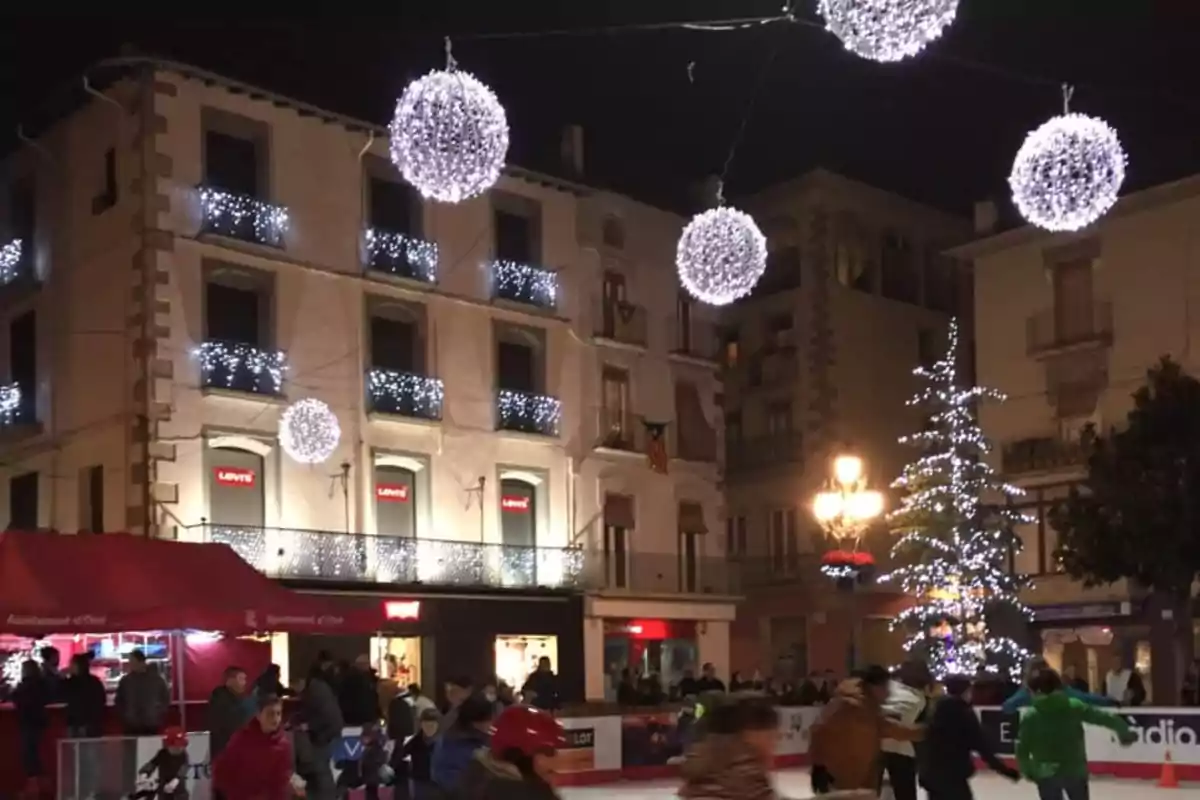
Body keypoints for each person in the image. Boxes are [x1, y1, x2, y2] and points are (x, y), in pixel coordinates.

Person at [1016, 667, 1135, 800]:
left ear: (1035, 692)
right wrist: (1124, 732)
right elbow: (1105, 718)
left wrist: (1028, 771)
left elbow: (1022, 747)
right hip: (1075, 770)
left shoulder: (1031, 716)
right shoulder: (1074, 706)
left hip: (1045, 772)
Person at [808, 665, 923, 794]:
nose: (889, 694)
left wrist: (818, 765)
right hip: (849, 778)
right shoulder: (861, 709)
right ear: (876, 687)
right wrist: (931, 731)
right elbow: (895, 730)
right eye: (886, 688)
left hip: (835, 774)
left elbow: (817, 730)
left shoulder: (843, 701)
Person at [920, 674, 1018, 800]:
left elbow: (926, 740)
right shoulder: (964, 713)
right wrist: (1006, 771)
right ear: (965, 690)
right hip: (953, 775)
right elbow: (982, 746)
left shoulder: (934, 710)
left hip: (931, 774)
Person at [678, 694, 779, 800]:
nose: (774, 743)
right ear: (749, 735)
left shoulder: (701, 770)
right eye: (771, 737)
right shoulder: (745, 773)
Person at [455, 705, 564, 800]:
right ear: (519, 756)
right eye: (547, 752)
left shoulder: (476, 778)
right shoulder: (528, 794)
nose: (555, 760)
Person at [213, 693, 295, 800]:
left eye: (278, 714)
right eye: (270, 714)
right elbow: (222, 770)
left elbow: (280, 783)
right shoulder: (241, 739)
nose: (275, 719)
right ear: (259, 715)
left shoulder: (284, 745)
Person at [880, 661, 931, 800]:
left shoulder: (887, 686)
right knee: (904, 792)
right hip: (901, 751)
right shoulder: (921, 699)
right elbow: (923, 730)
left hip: (875, 745)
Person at [63, 653, 108, 798]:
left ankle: (80, 791)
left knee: (77, 762)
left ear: (76, 666)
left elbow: (57, 694)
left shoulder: (69, 683)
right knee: (91, 761)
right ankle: (91, 791)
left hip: (76, 726)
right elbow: (102, 702)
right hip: (92, 726)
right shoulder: (95, 682)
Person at [432, 693, 495, 793]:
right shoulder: (450, 743)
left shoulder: (485, 737)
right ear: (475, 721)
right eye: (488, 719)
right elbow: (447, 779)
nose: (491, 723)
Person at [1001, 657, 1113, 714]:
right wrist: (1108, 701)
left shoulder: (1028, 691)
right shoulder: (1058, 688)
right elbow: (1084, 698)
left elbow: (1008, 706)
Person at [301, 659, 344, 800]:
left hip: (325, 733)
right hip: (332, 731)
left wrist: (309, 725)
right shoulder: (322, 687)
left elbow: (320, 714)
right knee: (326, 769)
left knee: (322, 770)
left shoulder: (314, 689)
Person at [13, 659, 48, 797]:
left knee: (29, 757)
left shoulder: (24, 686)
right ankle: (40, 788)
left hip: (27, 723)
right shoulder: (42, 684)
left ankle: (34, 790)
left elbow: (16, 698)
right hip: (39, 723)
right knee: (35, 756)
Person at [116, 649, 171, 735]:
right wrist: (125, 716)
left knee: (149, 747)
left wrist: (158, 714)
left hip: (150, 723)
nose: (130, 664)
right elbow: (119, 700)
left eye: (132, 661)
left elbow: (165, 699)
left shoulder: (157, 680)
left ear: (141, 662)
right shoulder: (126, 681)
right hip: (132, 724)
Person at [208, 666, 253, 765]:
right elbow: (232, 725)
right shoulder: (220, 700)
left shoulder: (238, 700)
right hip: (226, 753)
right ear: (230, 681)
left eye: (245, 679)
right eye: (241, 679)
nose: (244, 683)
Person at [135, 727, 190, 800]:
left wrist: (176, 780)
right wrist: (144, 773)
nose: (179, 749)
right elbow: (153, 763)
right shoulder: (162, 754)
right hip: (163, 791)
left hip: (179, 793)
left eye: (181, 747)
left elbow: (184, 768)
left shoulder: (184, 756)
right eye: (175, 747)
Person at [340, 654, 381, 726]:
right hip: (360, 717)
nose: (368, 666)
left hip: (358, 717)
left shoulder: (363, 678)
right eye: (366, 664)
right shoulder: (356, 679)